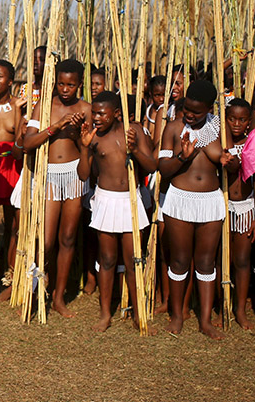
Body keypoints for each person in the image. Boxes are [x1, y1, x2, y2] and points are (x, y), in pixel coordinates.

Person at [77, 91, 157, 332]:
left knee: (133, 260)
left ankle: (137, 313)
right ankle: (104, 314)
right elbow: (83, 175)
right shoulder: (93, 136)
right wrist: (84, 148)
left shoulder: (133, 131)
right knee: (108, 259)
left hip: (130, 200)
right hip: (106, 200)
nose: (97, 117)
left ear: (116, 114)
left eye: (102, 113)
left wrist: (136, 150)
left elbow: (152, 166)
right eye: (95, 113)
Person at [21, 58, 91, 318]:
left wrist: (75, 134)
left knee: (68, 237)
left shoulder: (86, 109)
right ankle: (35, 288)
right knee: (46, 240)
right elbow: (28, 143)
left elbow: (88, 146)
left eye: (70, 85)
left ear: (79, 84)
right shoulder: (45, 106)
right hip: (49, 175)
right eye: (61, 84)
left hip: (73, 176)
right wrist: (57, 126)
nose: (65, 89)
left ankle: (59, 297)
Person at [158, 80, 226, 339]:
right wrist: (182, 157)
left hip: (210, 201)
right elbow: (162, 169)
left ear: (209, 108)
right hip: (179, 200)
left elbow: (228, 162)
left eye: (197, 112)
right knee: (179, 260)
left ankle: (205, 321)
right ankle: (177, 316)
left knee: (207, 262)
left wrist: (228, 161)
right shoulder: (174, 128)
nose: (189, 114)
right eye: (187, 108)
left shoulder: (218, 127)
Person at [0, 59, 24, 301]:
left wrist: (20, 109)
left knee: (14, 225)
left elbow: (21, 139)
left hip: (12, 166)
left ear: (10, 81)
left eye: (0, 76)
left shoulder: (17, 105)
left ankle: (11, 276)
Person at [221, 98, 255, 330]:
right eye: (231, 119)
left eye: (242, 119)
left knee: (242, 260)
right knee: (223, 258)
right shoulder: (221, 142)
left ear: (248, 121)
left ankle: (240, 310)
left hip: (245, 207)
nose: (236, 124)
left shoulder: (252, 142)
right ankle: (221, 305)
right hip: (222, 205)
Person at [17, 45, 46, 110]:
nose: (35, 62)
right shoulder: (25, 89)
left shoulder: (52, 90)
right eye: (34, 59)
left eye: (41, 60)